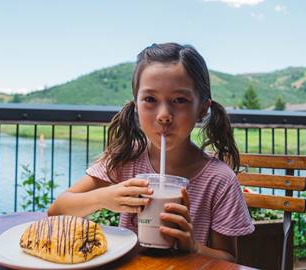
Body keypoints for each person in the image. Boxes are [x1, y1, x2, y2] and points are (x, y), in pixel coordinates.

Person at [47, 42, 254, 262]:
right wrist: (105, 197)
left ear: (202, 109)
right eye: (150, 100)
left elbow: (229, 259)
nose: (164, 115)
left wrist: (193, 247)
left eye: (179, 100)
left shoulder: (219, 180)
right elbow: (57, 210)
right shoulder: (127, 159)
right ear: (136, 105)